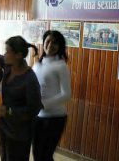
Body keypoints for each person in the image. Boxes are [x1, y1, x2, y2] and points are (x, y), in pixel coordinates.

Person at [0, 36, 42, 161]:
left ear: (18, 55)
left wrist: (9, 110)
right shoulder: (9, 67)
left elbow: (35, 108)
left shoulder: (29, 79)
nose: (4, 54)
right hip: (5, 126)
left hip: (20, 132)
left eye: (7, 51)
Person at [32, 30, 71, 161]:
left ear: (60, 46)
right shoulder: (37, 65)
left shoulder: (61, 66)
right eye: (48, 41)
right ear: (43, 43)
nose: (50, 45)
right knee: (38, 155)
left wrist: (43, 104)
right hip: (37, 117)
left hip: (55, 118)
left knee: (45, 156)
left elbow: (66, 94)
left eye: (55, 43)